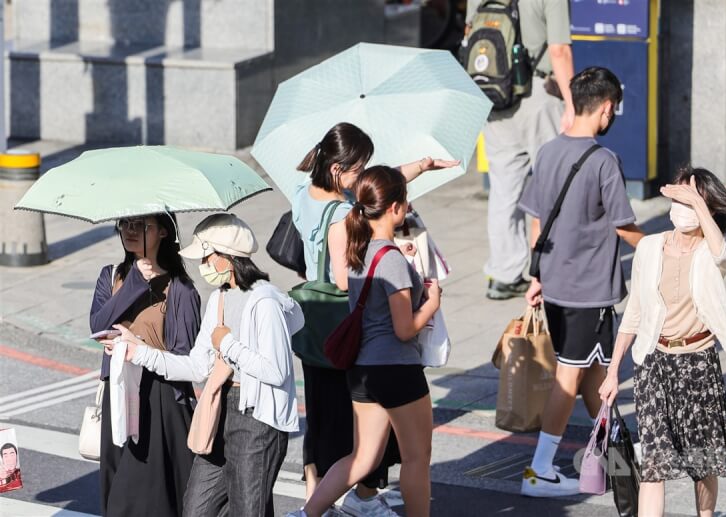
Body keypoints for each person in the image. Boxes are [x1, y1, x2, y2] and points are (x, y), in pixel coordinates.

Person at [292, 122, 456, 515]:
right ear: (397, 209)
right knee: (417, 458)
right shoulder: (392, 260)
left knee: (363, 458)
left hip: (361, 369)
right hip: (396, 368)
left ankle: (306, 513)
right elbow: (405, 329)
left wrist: (415, 167)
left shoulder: (356, 253)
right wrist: (431, 301)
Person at [107, 213, 304, 517]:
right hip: (220, 407)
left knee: (247, 510)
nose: (203, 266)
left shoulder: (264, 302)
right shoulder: (220, 299)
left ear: (228, 257)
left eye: (207, 257)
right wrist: (140, 352)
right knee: (196, 508)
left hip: (257, 420)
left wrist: (227, 344)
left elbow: (275, 371)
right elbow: (197, 366)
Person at [599, 168, 726, 517]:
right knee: (654, 461)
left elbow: (722, 254)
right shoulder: (649, 248)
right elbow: (634, 314)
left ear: (707, 207)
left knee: (702, 463)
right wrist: (612, 372)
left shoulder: (713, 251)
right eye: (677, 199)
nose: (680, 207)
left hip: (698, 364)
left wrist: (699, 204)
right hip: (654, 363)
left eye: (689, 201)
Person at [517, 66, 644, 497]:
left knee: (596, 379)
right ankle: (540, 469)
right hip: (588, 292)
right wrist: (664, 246)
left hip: (556, 286)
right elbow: (625, 228)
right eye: (615, 110)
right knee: (569, 380)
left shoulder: (549, 151)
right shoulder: (604, 161)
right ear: (606, 107)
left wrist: (537, 275)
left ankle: (619, 462)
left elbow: (536, 219)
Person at [89, 214, 200, 516]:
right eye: (125, 224)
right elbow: (98, 324)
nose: (130, 231)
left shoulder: (181, 289)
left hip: (160, 397)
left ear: (163, 232)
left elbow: (185, 355)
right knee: (116, 481)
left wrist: (141, 350)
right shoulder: (111, 276)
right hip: (119, 388)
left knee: (147, 496)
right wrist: (135, 282)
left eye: (141, 225)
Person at [465, 0, 576, 300]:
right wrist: (571, 103)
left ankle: (504, 274)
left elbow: (470, 37)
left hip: (495, 94)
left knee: (504, 190)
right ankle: (551, 271)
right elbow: (559, 51)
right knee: (555, 185)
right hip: (539, 95)